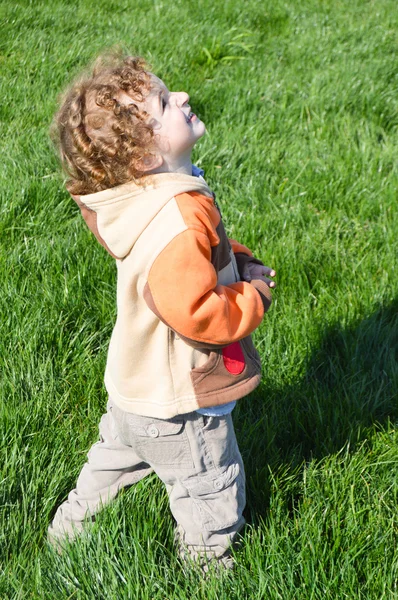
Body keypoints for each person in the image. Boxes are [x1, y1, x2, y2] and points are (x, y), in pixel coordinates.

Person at [48, 53, 276, 571]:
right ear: (147, 156)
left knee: (109, 467)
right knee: (209, 486)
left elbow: (194, 257)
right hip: (180, 405)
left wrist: (234, 258)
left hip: (133, 389)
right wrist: (253, 294)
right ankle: (209, 569)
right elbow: (193, 309)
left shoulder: (133, 200)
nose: (184, 99)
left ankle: (67, 533)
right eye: (166, 102)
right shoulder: (177, 217)